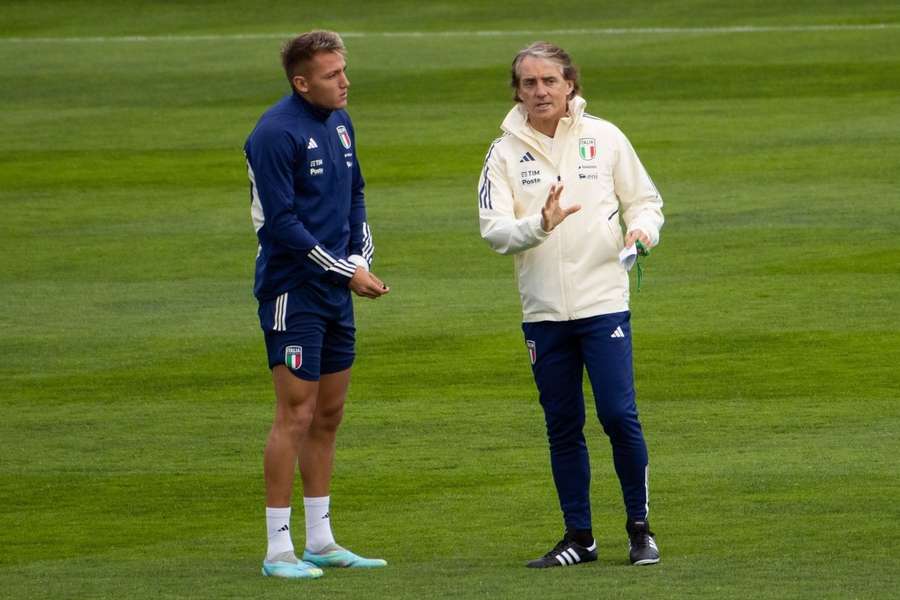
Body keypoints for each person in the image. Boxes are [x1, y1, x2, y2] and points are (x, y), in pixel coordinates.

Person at [478, 41, 664, 568]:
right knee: (562, 425)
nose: (539, 91)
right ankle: (579, 538)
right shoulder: (502, 153)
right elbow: (494, 232)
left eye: (549, 81)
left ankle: (640, 528)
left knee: (617, 416)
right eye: (529, 83)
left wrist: (641, 232)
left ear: (570, 85)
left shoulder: (604, 137)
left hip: (602, 301)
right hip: (542, 313)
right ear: (517, 90)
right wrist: (541, 224)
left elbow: (645, 201)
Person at [244, 30, 389, 579]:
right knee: (296, 414)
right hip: (292, 291)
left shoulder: (342, 123)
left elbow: (355, 194)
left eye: (344, 70)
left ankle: (321, 541)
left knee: (329, 414)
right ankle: (278, 549)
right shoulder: (274, 133)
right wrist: (347, 271)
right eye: (332, 75)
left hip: (334, 288)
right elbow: (282, 225)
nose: (345, 82)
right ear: (302, 82)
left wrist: (360, 257)